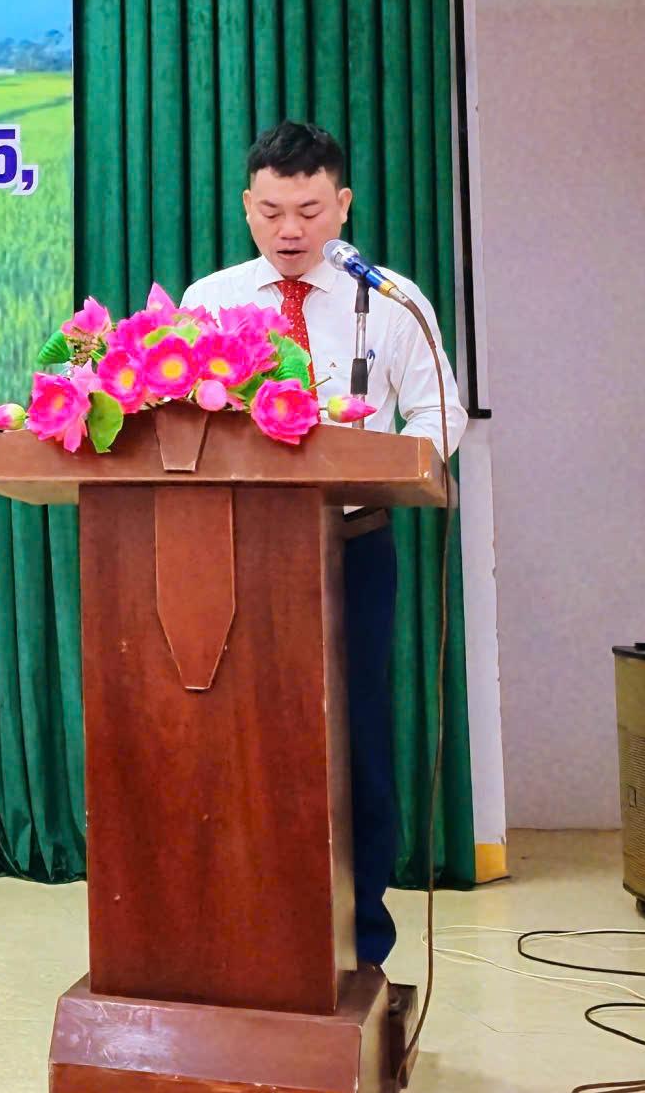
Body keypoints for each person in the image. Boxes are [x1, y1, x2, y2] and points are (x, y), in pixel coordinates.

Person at [180, 120, 465, 970]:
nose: (289, 230)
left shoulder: (393, 300)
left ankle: (361, 944)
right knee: (241, 737)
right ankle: (240, 931)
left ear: (342, 204)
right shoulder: (210, 300)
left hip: (354, 548)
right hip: (240, 554)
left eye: (308, 210)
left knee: (357, 740)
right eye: (271, 211)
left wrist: (374, 464)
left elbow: (438, 416)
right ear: (247, 206)